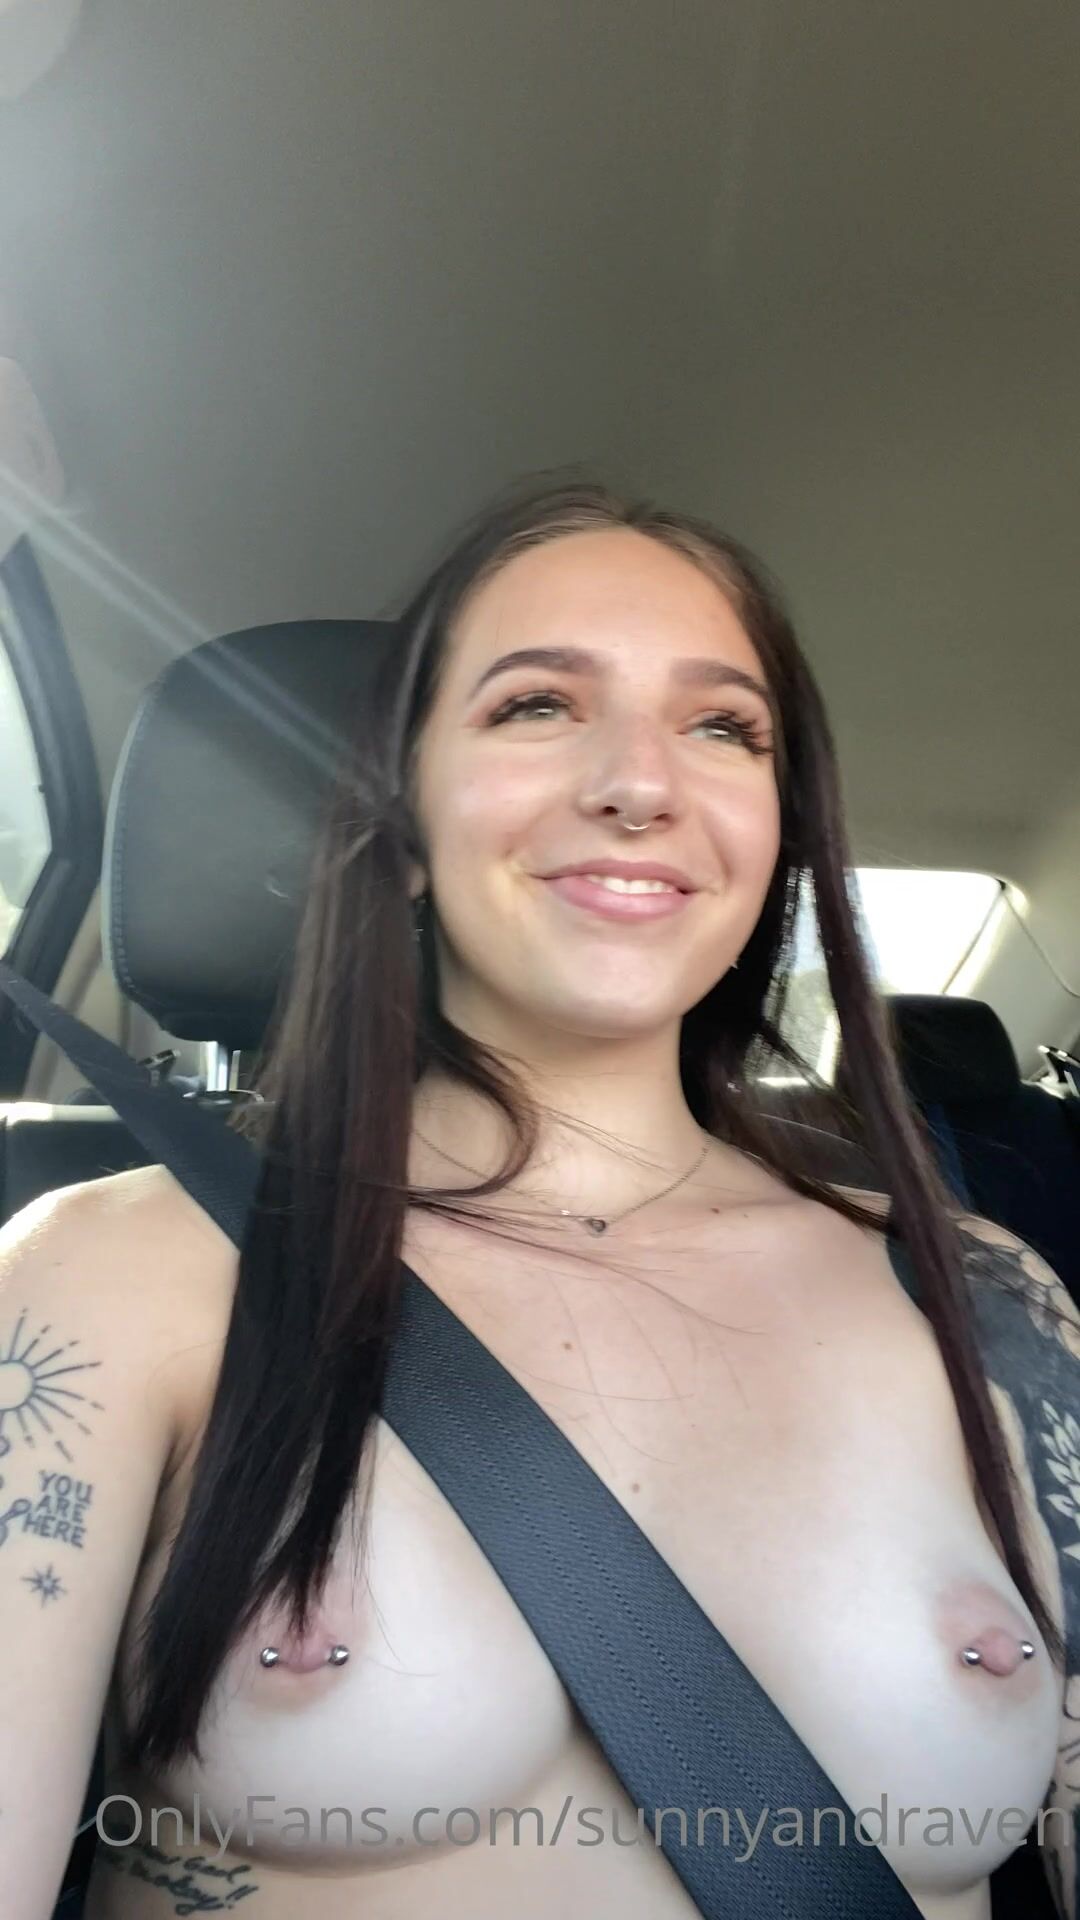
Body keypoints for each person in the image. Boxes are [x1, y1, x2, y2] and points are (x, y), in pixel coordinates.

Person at [2, 475, 1077, 1920]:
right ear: (400, 823)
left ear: (778, 829)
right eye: (537, 705)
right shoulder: (114, 1281)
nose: (640, 782)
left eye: (723, 727)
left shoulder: (985, 1300)